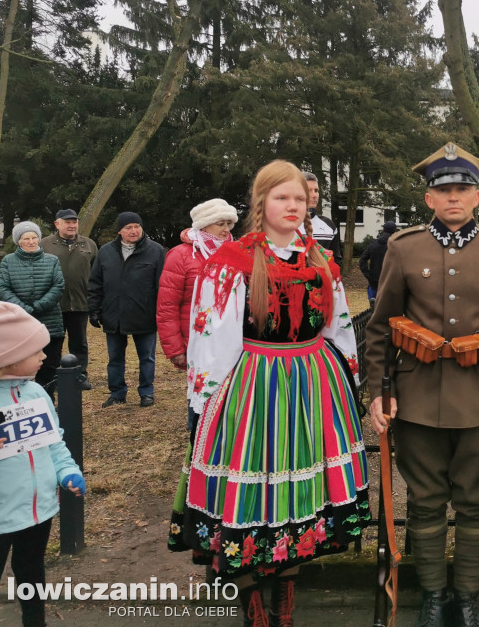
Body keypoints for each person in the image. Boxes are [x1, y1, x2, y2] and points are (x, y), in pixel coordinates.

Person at [168, 160, 369, 627]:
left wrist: (349, 384)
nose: (293, 206)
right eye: (282, 198)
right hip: (253, 384)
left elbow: (340, 327)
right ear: (261, 203)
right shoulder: (235, 261)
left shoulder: (319, 260)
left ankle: (286, 605)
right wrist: (205, 402)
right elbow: (212, 339)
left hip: (315, 382)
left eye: (299, 198)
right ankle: (253, 607)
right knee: (253, 492)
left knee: (303, 492)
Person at [364, 143, 479, 627]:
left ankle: (467, 597)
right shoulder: (404, 247)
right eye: (445, 190)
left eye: (463, 189)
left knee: (477, 500)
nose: (454, 197)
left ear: (478, 197)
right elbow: (380, 325)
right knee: (426, 499)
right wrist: (378, 391)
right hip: (416, 399)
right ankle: (434, 597)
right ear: (429, 199)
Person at [0, 302, 86, 627]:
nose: (44, 358)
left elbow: (54, 440)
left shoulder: (37, 392)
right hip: (1, 514)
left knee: (32, 572)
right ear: (7, 357)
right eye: (35, 351)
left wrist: (67, 471)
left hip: (38, 511)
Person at [156, 198, 238, 430]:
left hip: (231, 340)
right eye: (219, 223)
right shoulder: (181, 256)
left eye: (229, 224)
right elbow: (167, 307)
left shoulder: (236, 253)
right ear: (203, 225)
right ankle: (198, 445)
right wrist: (175, 349)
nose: (226, 230)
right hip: (195, 342)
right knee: (202, 395)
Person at [87, 212, 166, 408]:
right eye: (128, 227)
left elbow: (162, 285)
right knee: (115, 358)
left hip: (144, 314)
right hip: (114, 314)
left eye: (137, 226)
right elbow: (95, 283)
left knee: (147, 357)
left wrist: (162, 312)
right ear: (119, 231)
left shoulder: (156, 251)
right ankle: (117, 393)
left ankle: (147, 392)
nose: (133, 231)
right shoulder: (105, 252)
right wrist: (94, 309)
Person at [0, 222, 65, 399]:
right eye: (26, 238)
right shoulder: (8, 261)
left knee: (49, 367)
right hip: (18, 324)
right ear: (18, 241)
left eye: (34, 237)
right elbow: (3, 288)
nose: (31, 241)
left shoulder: (52, 260)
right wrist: (25, 310)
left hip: (50, 322)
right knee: (18, 367)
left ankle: (48, 402)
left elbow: (58, 286)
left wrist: (38, 306)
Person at [40, 209, 99, 390]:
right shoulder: (45, 245)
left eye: (74, 222)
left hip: (80, 303)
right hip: (54, 305)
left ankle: (79, 376)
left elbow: (97, 273)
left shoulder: (89, 244)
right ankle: (52, 378)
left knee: (79, 343)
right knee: (53, 343)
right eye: (67, 222)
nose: (72, 225)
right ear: (57, 224)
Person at [359, 220, 397, 304]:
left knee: (373, 310)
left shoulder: (373, 244)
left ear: (383, 229)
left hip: (374, 282)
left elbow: (362, 260)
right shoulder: (395, 246)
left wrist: (368, 275)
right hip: (390, 282)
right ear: (394, 231)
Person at [303, 171, 340, 254]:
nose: (314, 195)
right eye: (309, 190)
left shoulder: (329, 225)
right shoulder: (287, 225)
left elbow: (336, 261)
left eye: (316, 190)